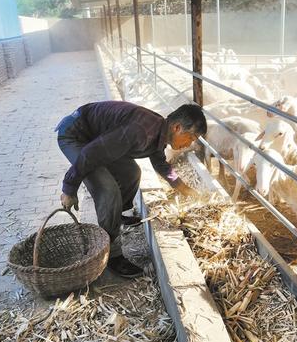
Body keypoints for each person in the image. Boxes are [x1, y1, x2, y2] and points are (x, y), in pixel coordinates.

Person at [56, 101, 206, 278]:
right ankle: (111, 254)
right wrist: (69, 188)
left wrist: (183, 188)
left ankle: (115, 215)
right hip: (76, 136)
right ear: (177, 127)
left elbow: (160, 163)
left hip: (98, 140)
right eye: (191, 138)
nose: (188, 144)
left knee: (132, 172)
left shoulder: (159, 130)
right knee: (107, 189)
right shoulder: (141, 131)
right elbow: (90, 154)